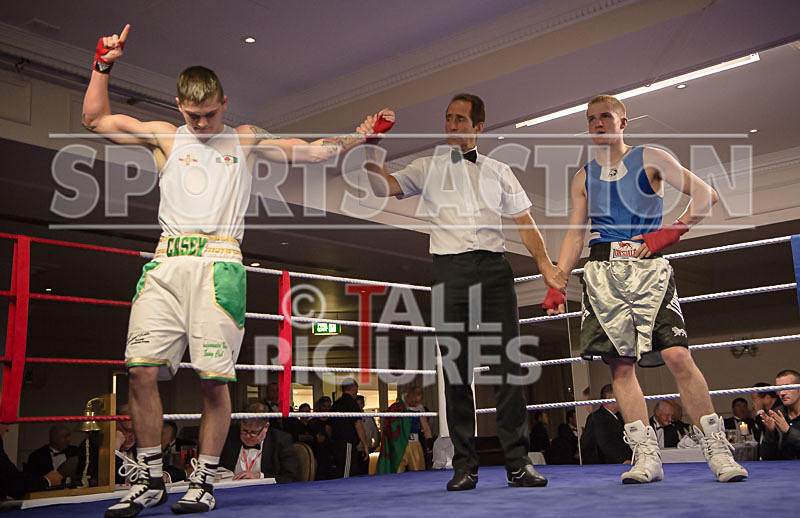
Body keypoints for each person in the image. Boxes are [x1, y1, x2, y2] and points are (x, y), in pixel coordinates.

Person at [84, 25, 392, 517]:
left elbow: (313, 151)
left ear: (224, 102)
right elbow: (96, 119)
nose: (203, 122)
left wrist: (360, 135)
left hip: (220, 265)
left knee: (213, 380)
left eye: (210, 113)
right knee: (139, 371)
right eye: (193, 114)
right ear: (179, 106)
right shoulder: (167, 137)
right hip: (166, 263)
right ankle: (149, 476)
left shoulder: (244, 139)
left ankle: (204, 479)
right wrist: (103, 65)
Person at [543, 94, 747, 484]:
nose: (598, 123)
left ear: (623, 122)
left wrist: (670, 232)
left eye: (606, 116)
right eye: (591, 118)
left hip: (648, 267)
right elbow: (575, 234)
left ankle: (718, 449)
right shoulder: (583, 176)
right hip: (602, 269)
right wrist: (558, 280)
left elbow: (706, 195)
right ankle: (645, 455)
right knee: (620, 366)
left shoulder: (650, 157)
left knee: (677, 355)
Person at [365, 93, 564, 491]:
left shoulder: (499, 170)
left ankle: (517, 463)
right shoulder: (428, 167)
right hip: (449, 270)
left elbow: (525, 223)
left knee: (508, 366)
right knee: (456, 370)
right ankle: (464, 466)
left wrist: (545, 264)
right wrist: (373, 146)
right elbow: (383, 186)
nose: (452, 124)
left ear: (478, 127)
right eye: (448, 118)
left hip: (494, 269)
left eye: (460, 119)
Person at [219, 403, 300, 482]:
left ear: (266, 427)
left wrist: (260, 476)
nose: (248, 436)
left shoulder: (280, 440)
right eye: (244, 431)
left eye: (253, 432)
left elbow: (290, 478)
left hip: (265, 489)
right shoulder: (231, 435)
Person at [1, 424, 63, 500]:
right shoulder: (38, 455)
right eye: (5, 423)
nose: (8, 429)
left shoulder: (72, 451)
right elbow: (12, 481)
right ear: (54, 438)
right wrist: (47, 481)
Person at [376, 387, 430, 474]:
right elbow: (389, 427)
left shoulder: (419, 409)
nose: (416, 403)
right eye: (415, 401)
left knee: (418, 473)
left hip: (414, 443)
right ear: (409, 396)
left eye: (418, 401)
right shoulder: (396, 408)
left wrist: (429, 440)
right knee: (396, 472)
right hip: (398, 444)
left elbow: (425, 427)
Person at [580, 384, 630, 464]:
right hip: (607, 466)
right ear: (609, 399)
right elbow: (604, 443)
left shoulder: (620, 416)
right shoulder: (597, 417)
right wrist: (622, 460)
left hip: (624, 462)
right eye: (620, 397)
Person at [330, 378, 370, 478]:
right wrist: (365, 445)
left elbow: (328, 426)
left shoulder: (336, 404)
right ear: (353, 388)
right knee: (347, 472)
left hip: (337, 442)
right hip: (347, 442)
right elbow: (358, 424)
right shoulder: (351, 403)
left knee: (342, 469)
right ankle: (344, 487)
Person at [760, 369, 800, 459]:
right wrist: (771, 433)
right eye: (779, 389)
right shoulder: (775, 414)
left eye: (787, 387)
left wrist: (788, 431)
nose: (782, 393)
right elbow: (766, 457)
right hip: (782, 467)